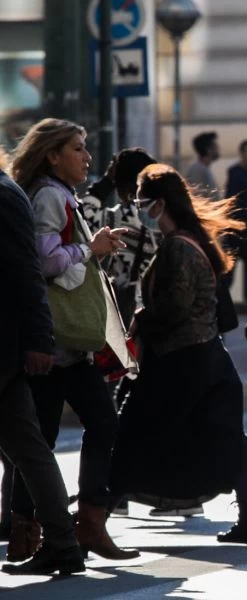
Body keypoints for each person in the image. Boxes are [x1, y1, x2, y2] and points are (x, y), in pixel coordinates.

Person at [109, 164, 247, 545]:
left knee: (133, 431)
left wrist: (140, 318)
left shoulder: (179, 247)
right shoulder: (189, 241)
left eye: (142, 202)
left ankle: (94, 516)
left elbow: (175, 307)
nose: (138, 210)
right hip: (206, 358)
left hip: (181, 361)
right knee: (229, 439)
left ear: (160, 204)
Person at [8, 118, 139, 562]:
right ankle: (36, 534)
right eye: (78, 149)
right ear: (52, 155)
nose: (87, 158)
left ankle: (85, 523)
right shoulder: (48, 195)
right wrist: (91, 249)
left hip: (69, 343)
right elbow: (43, 262)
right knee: (39, 441)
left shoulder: (61, 195)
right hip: (55, 340)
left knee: (88, 427)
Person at [0, 148, 85, 576]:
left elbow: (27, 273)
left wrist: (38, 339)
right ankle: (63, 543)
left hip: (4, 346)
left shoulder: (4, 195)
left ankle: (62, 540)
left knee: (29, 449)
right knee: (29, 449)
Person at [80, 149, 160, 326]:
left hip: (133, 312)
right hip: (159, 307)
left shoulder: (125, 217)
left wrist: (107, 181)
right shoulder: (161, 211)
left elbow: (86, 216)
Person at [226, 139, 247, 301]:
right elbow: (234, 200)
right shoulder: (237, 173)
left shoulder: (246, 173)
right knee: (231, 269)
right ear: (243, 154)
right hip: (238, 229)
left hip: (245, 229)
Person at [185, 131, 221, 199]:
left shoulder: (204, 168)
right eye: (215, 146)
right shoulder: (197, 170)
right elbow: (197, 197)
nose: (218, 148)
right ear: (208, 149)